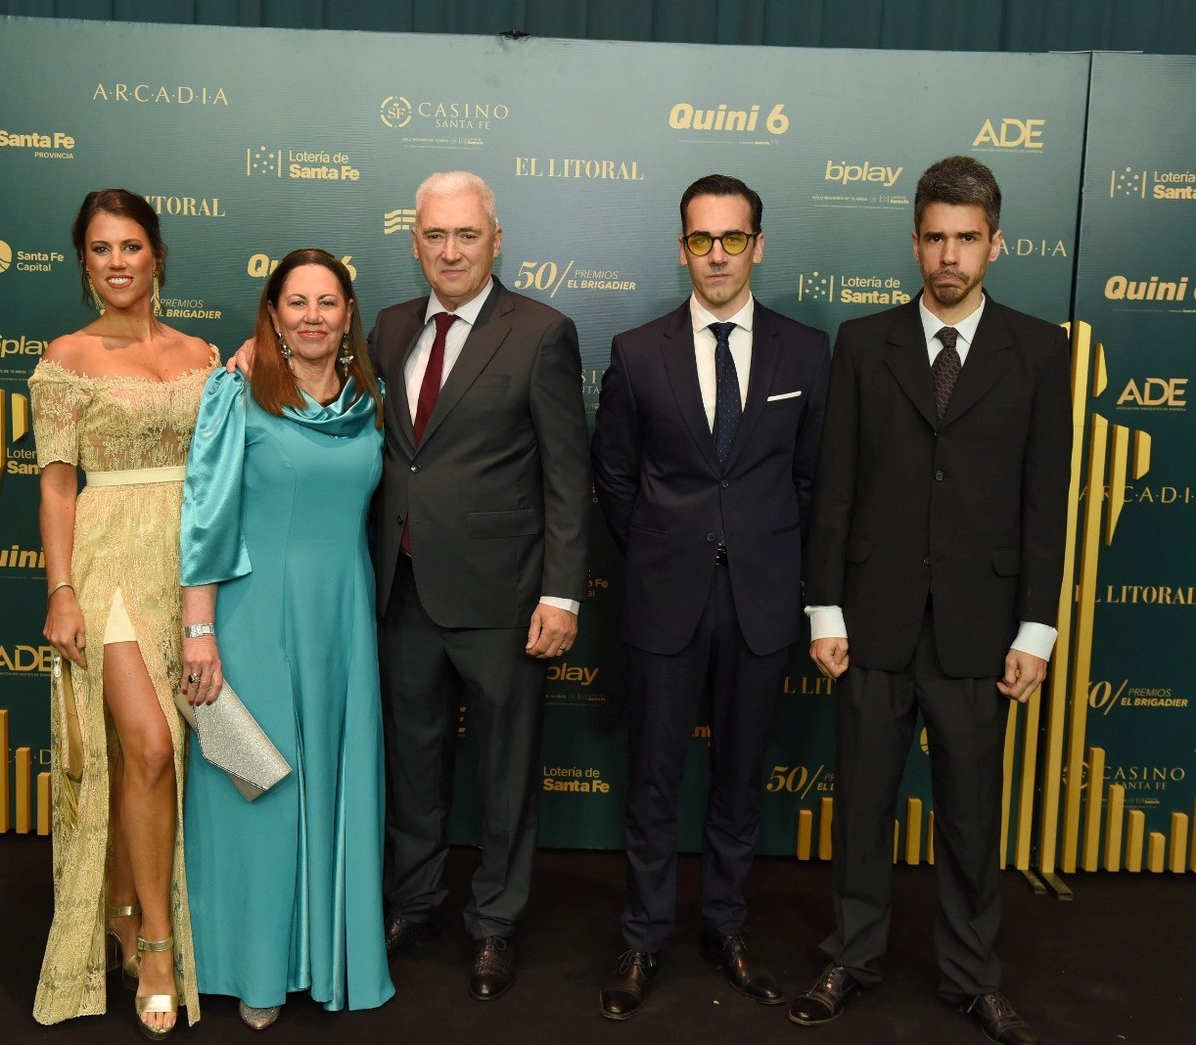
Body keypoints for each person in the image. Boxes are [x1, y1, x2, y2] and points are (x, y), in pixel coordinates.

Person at [793, 156, 1071, 1045]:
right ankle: (852, 956)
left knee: (970, 815)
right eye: (934, 238)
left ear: (994, 242)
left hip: (981, 630)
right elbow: (832, 485)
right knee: (864, 806)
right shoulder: (860, 341)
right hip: (870, 622)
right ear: (913, 241)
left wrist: (1036, 628)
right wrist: (823, 608)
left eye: (965, 239)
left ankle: (970, 975)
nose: (948, 256)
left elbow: (1045, 498)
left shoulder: (1039, 349)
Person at [590, 174, 831, 1020]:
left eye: (734, 238)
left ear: (758, 245)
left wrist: (759, 551)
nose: (718, 254)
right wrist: (665, 549)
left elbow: (809, 479)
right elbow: (614, 478)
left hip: (762, 601)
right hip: (664, 598)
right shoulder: (636, 350)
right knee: (652, 781)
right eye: (702, 239)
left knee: (738, 783)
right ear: (681, 246)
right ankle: (643, 936)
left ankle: (725, 928)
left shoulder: (805, 353)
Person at [371, 170, 590, 1001]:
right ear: (415, 240)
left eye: (467, 234)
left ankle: (494, 920)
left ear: (496, 240)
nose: (451, 249)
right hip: (400, 590)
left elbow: (568, 477)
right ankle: (415, 899)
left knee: (504, 771)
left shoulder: (540, 331)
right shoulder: (389, 328)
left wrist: (561, 593)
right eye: (435, 235)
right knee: (412, 762)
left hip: (504, 600)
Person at [177, 248, 395, 1029]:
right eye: (295, 302)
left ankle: (329, 956)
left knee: (336, 785)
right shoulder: (236, 392)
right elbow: (204, 518)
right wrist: (198, 630)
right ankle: (257, 967)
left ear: (346, 316)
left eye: (326, 303)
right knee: (261, 793)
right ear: (272, 314)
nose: (311, 316)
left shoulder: (370, 399)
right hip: (254, 617)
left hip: (340, 620)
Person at [31, 188, 214, 1037]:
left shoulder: (202, 353)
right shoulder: (66, 357)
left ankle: (124, 901)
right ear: (83, 261)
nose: (116, 262)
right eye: (100, 249)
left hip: (190, 568)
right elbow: (58, 483)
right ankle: (154, 945)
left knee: (177, 753)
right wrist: (59, 587)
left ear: (158, 255)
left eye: (130, 246)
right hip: (105, 564)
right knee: (143, 745)